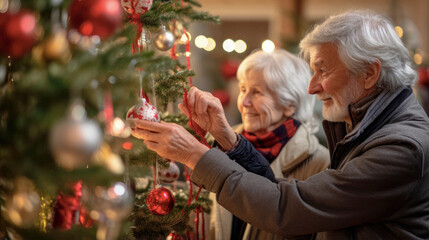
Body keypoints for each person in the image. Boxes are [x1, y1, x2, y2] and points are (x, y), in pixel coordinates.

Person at [131, 10, 429, 239]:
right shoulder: (371, 129)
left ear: (369, 73)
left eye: (322, 71)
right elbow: (284, 191)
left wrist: (194, 155)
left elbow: (287, 208)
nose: (311, 88)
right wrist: (227, 139)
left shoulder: (401, 147)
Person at [209, 49, 330, 240]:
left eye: (257, 92)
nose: (245, 102)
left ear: (289, 104)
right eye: (243, 90)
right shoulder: (216, 144)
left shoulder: (320, 163)